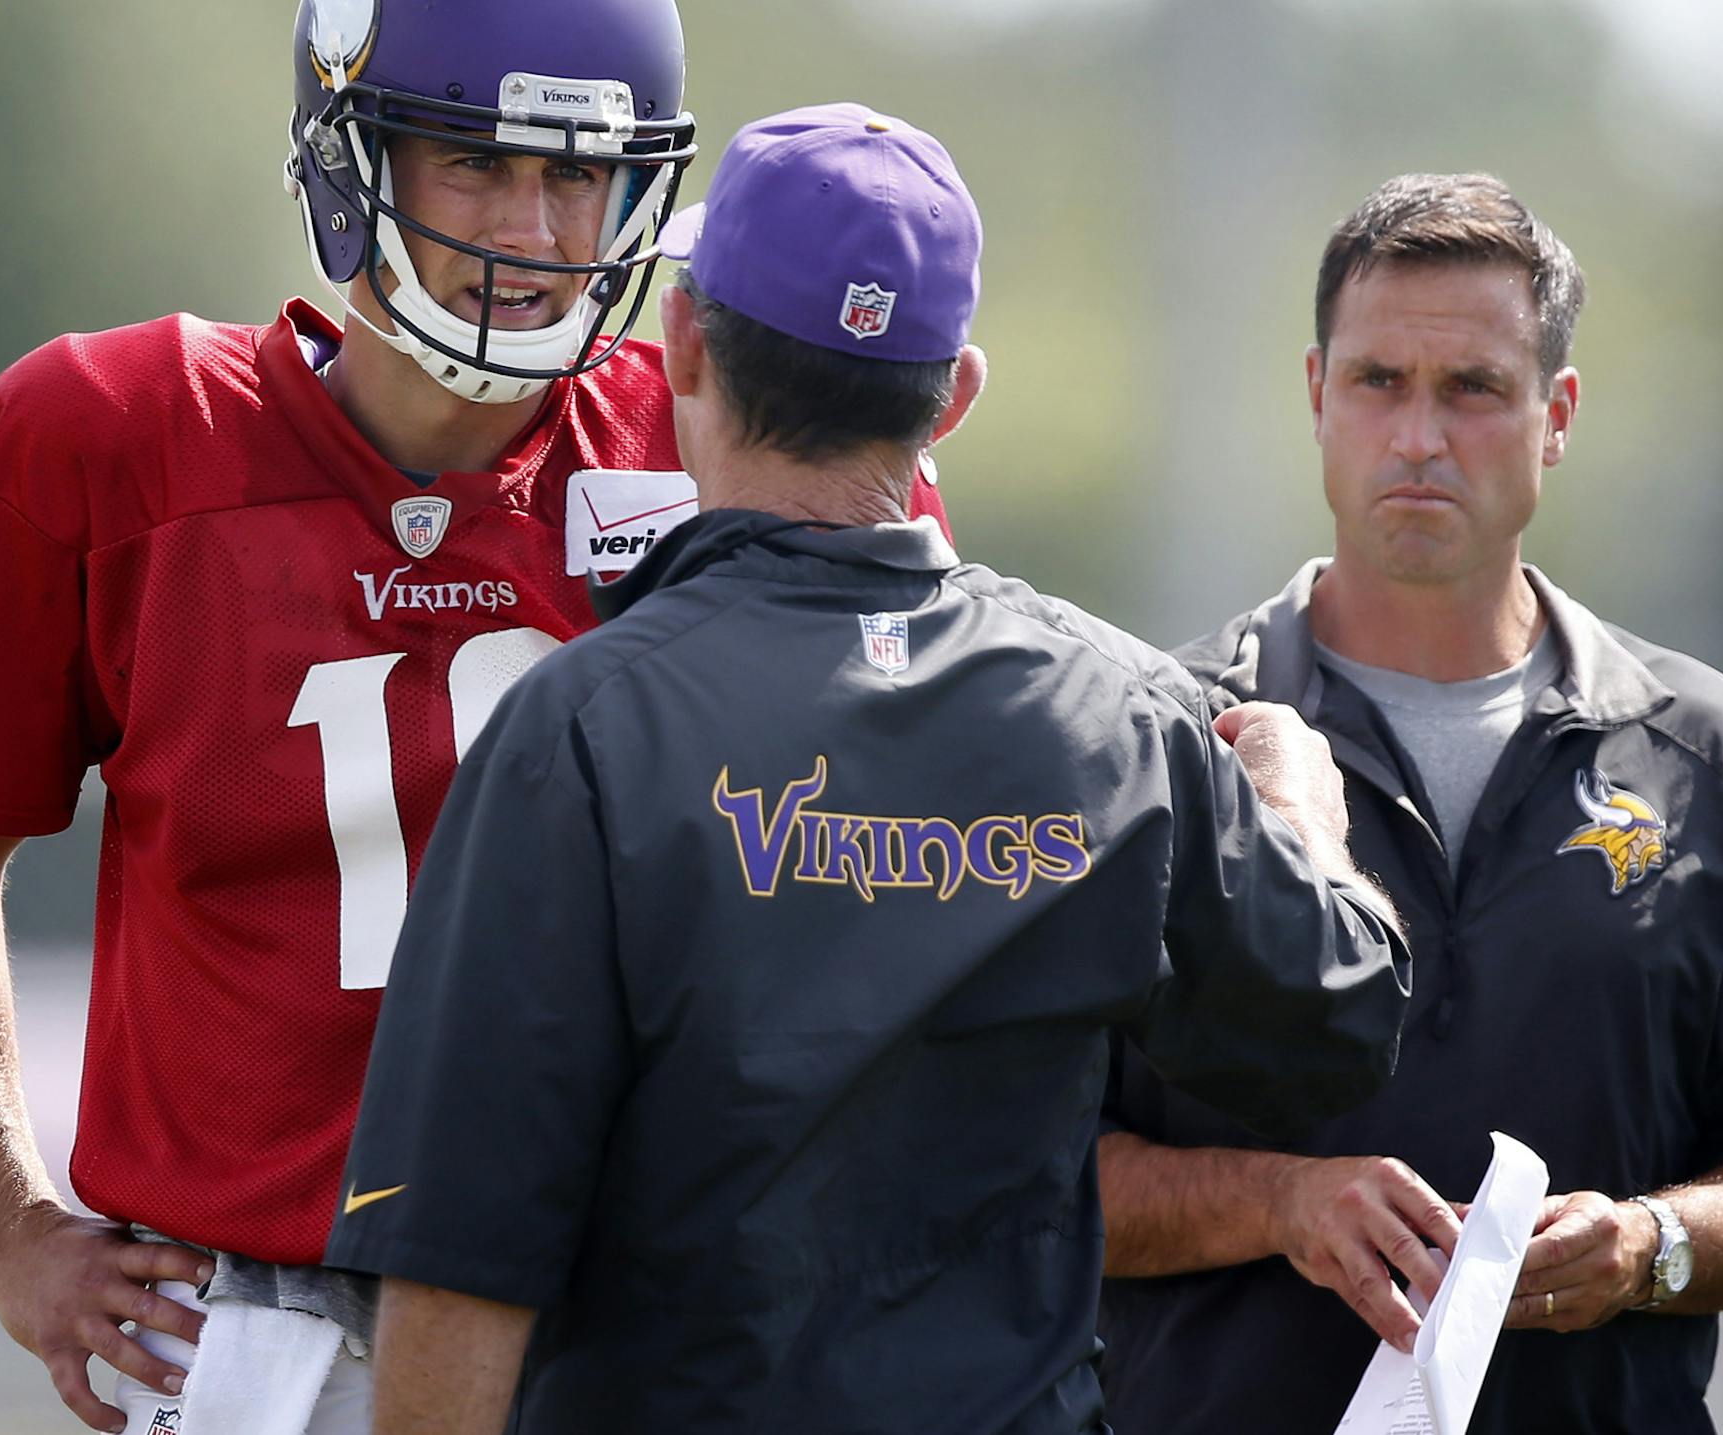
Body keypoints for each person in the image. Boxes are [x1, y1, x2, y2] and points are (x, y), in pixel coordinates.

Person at [0, 5, 940, 1434]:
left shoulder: (730, 443)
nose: (539, 229)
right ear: (352, 161)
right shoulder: (111, 440)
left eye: (579, 172)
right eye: (475, 162)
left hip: (648, 1328)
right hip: (257, 1330)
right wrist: (7, 1223)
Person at [323, 102, 1412, 1435]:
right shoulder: (1114, 712)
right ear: (953, 393)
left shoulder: (584, 729)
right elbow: (1338, 1015)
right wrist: (1300, 801)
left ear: (684, 347)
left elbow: (457, 1263)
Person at [1095, 172, 1723, 1434]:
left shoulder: (1713, 761)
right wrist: (1282, 1205)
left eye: (1471, 388)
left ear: (1554, 412)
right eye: (1378, 383)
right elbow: (1025, 1169)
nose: (1419, 434)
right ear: (1316, 395)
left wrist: (1649, 1243)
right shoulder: (1145, 741)